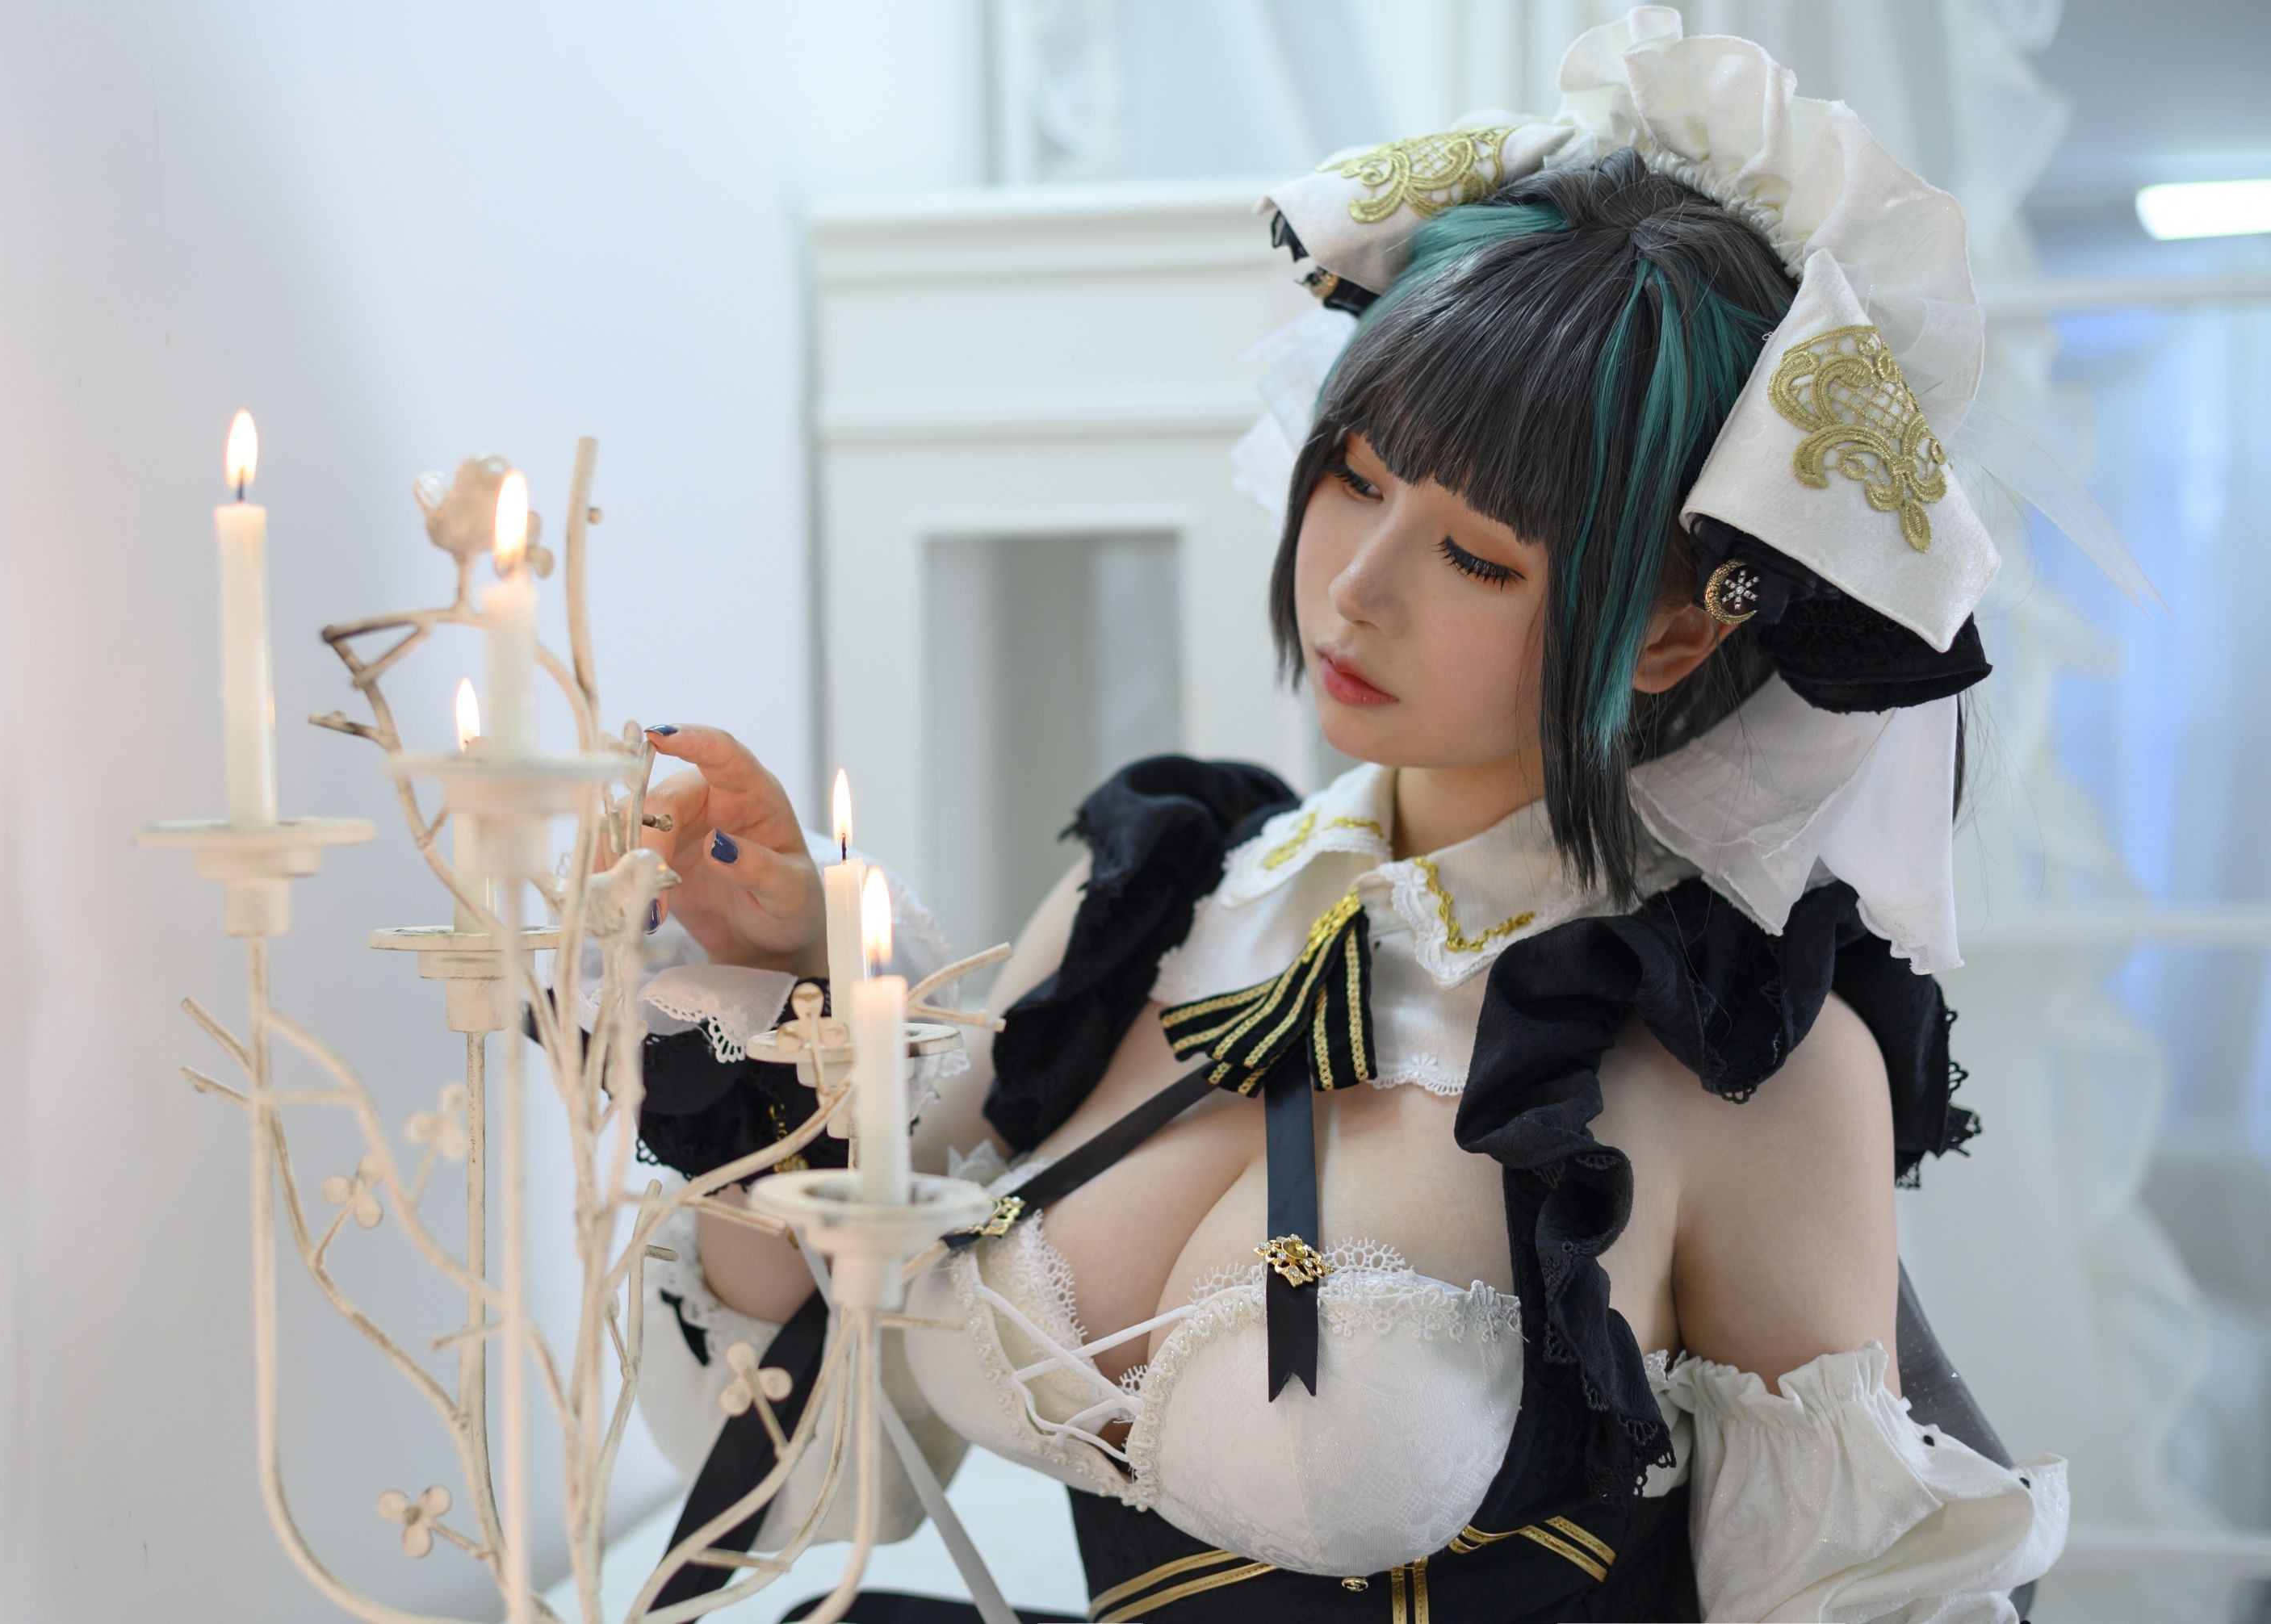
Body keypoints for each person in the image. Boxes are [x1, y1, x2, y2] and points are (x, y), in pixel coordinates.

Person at [607, 11, 2076, 1619]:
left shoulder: (1738, 1064)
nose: (1357, 589)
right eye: (1354, 477)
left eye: (1479, 557)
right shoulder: (1151, 906)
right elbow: (820, 1471)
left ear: (1671, 633)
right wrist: (785, 1004)